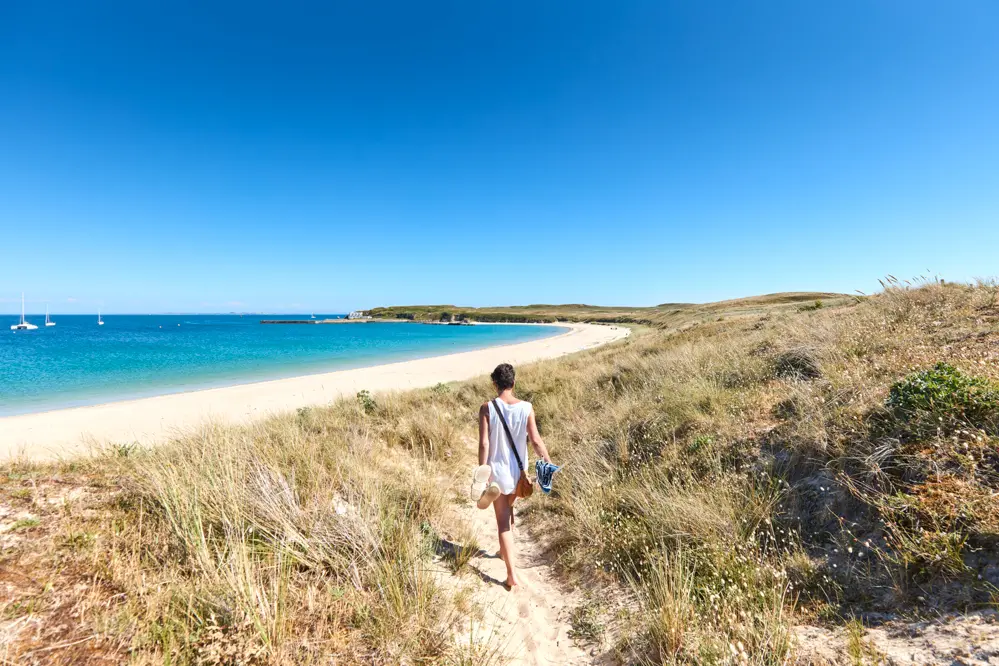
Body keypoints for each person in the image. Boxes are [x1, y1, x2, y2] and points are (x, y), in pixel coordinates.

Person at [478, 363, 553, 590]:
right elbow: (536, 441)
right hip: (517, 473)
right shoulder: (527, 407)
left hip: (496, 473)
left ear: (495, 383)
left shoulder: (486, 408)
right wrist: (548, 462)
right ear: (514, 382)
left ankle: (511, 575)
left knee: (502, 523)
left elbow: (484, 443)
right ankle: (503, 552)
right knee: (508, 511)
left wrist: (482, 471)